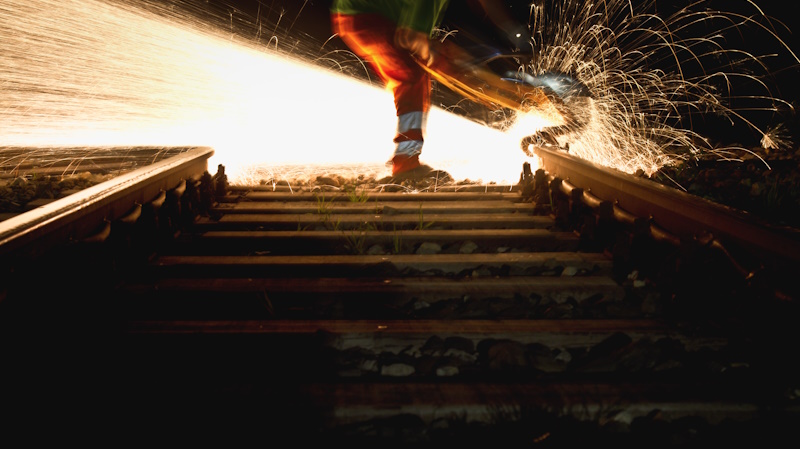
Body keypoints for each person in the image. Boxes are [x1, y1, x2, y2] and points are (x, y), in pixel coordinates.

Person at [330, 0, 529, 179]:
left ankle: (405, 156)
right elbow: (411, 37)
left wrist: (512, 31)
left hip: (358, 15)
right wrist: (421, 38)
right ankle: (406, 164)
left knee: (412, 75)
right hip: (367, 17)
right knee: (411, 78)